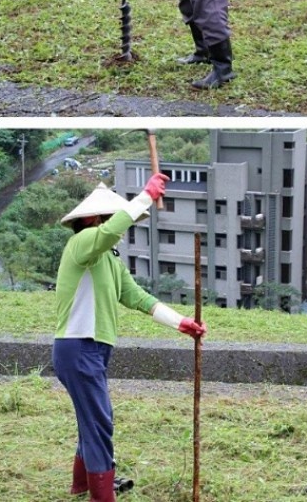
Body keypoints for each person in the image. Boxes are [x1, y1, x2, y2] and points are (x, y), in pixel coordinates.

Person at [53, 175, 206, 502]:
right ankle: (101, 495)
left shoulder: (108, 261)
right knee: (99, 422)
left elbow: (137, 297)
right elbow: (108, 233)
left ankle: (83, 485)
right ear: (93, 220)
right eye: (111, 219)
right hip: (79, 347)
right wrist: (147, 195)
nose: (117, 231)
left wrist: (181, 323)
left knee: (91, 418)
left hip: (90, 350)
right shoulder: (81, 244)